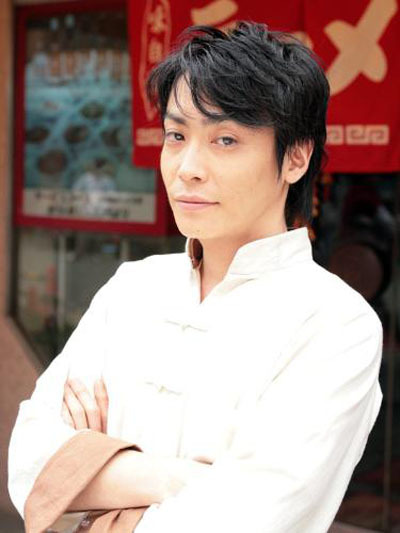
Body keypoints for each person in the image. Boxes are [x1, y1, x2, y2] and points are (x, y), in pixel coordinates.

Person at [8, 22, 383, 533]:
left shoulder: (336, 324)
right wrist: (179, 477)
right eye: (177, 135)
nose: (188, 167)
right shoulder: (132, 287)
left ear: (296, 157)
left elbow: (248, 518)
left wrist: (90, 472)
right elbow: (29, 466)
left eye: (225, 139)